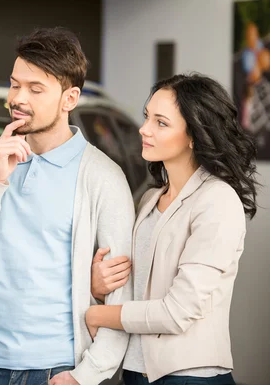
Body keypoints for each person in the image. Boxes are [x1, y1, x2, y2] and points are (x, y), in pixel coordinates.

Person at [0, 27, 134, 385]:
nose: (18, 98)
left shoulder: (103, 177)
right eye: (15, 85)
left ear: (69, 99)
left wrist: (86, 375)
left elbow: (122, 296)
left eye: (35, 88)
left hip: (58, 369)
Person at [87, 73, 259, 385]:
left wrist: (98, 315)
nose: (144, 129)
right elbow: (136, 289)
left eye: (160, 123)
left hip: (189, 377)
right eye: (146, 117)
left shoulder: (217, 201)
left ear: (194, 134)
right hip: (135, 373)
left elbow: (176, 312)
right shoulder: (151, 200)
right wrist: (98, 288)